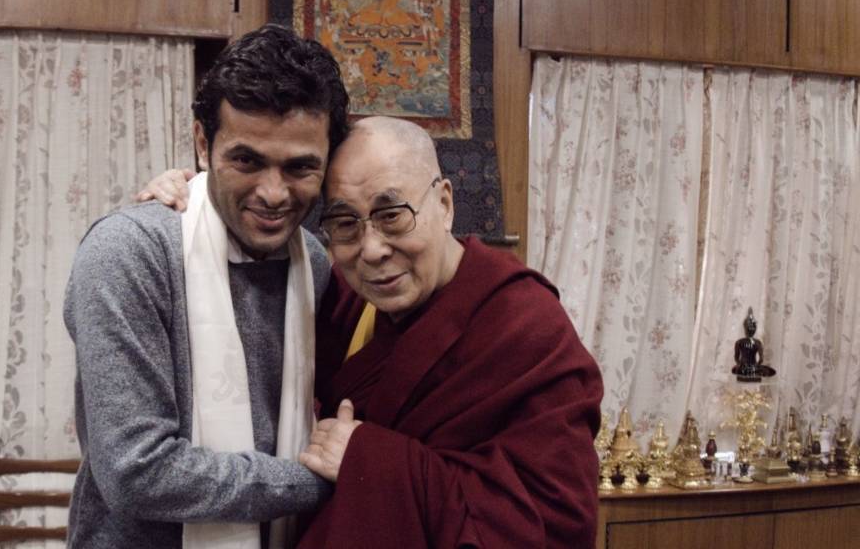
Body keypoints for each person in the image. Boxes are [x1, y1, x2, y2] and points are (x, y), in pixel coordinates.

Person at [144, 116, 604, 548]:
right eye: (345, 224)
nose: (372, 250)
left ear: (444, 203)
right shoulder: (344, 298)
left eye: (392, 215)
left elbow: (555, 522)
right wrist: (195, 201)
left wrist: (370, 461)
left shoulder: (524, 327)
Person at [63, 23, 350, 548]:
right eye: (246, 160)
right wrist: (324, 481)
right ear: (202, 143)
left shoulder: (317, 262)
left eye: (300, 167)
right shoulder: (130, 253)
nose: (273, 192)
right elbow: (136, 471)